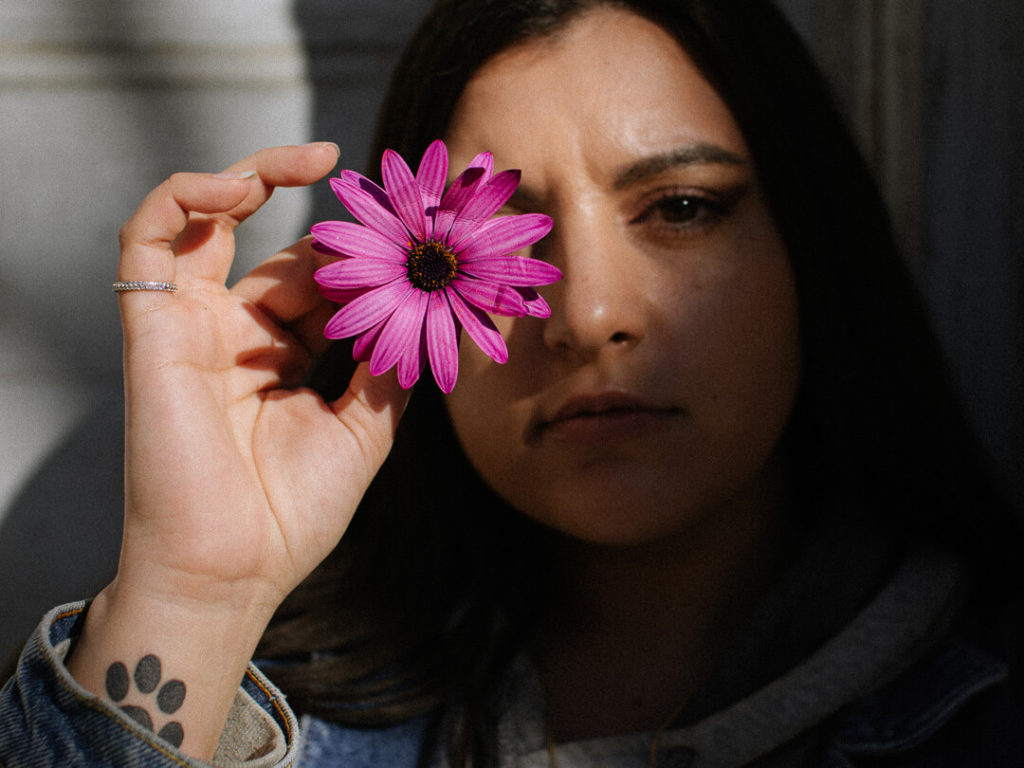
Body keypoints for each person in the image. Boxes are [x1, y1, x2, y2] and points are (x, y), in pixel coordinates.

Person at [1, 0, 1021, 766]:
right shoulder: (272, 726)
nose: (582, 318)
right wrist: (193, 592)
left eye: (678, 209)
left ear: (811, 243)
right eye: (496, 237)